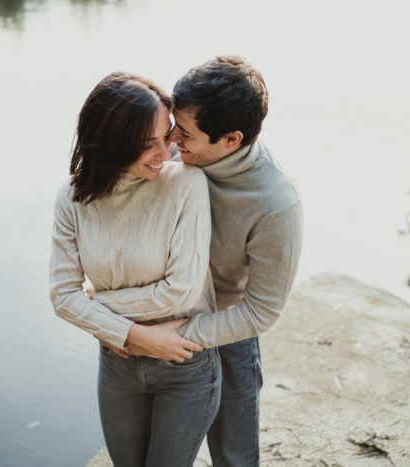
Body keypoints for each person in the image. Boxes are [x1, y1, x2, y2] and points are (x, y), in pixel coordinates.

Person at [117, 56, 304, 466]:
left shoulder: (275, 205)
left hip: (226, 328)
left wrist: (183, 333)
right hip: (152, 316)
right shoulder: (169, 157)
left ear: (231, 139)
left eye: (184, 135)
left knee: (235, 456)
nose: (169, 144)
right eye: (172, 129)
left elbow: (262, 310)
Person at [48, 72, 222, 467]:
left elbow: (182, 291)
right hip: (118, 367)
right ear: (112, 142)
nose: (166, 154)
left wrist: (100, 307)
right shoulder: (73, 197)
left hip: (185, 363)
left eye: (167, 137)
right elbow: (62, 295)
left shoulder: (187, 184)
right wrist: (133, 337)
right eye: (148, 145)